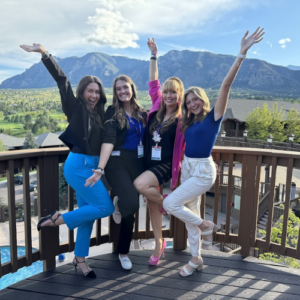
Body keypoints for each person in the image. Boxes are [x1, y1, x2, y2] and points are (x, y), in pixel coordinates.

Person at [163, 27, 265, 276]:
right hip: (188, 168)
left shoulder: (214, 117)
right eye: (188, 102)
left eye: (195, 99)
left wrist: (241, 53)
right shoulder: (187, 122)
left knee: (170, 203)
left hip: (202, 172)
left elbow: (226, 85)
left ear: (203, 99)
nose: (192, 103)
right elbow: (161, 98)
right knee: (190, 215)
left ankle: (205, 225)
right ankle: (196, 258)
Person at [20, 43, 114, 278]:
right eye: (90, 91)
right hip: (78, 166)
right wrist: (44, 54)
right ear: (82, 91)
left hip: (92, 167)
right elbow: (63, 81)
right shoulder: (74, 108)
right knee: (105, 207)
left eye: (97, 91)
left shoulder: (102, 113)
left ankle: (80, 259)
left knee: (88, 215)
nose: (93, 95)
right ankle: (56, 218)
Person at [85, 75, 147, 270]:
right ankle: (120, 203)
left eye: (125, 88)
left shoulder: (142, 113)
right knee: (131, 202)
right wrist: (100, 169)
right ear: (115, 92)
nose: (122, 92)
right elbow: (109, 139)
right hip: (117, 163)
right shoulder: (112, 112)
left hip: (137, 163)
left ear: (132, 89)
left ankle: (124, 251)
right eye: (118, 89)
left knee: (130, 210)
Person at [134, 38, 185, 265]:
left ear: (179, 95)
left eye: (173, 93)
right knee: (152, 205)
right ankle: (159, 244)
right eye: (166, 92)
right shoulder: (156, 105)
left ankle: (168, 203)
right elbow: (153, 81)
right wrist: (154, 55)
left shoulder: (182, 119)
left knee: (140, 186)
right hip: (147, 161)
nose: (168, 96)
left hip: (164, 165)